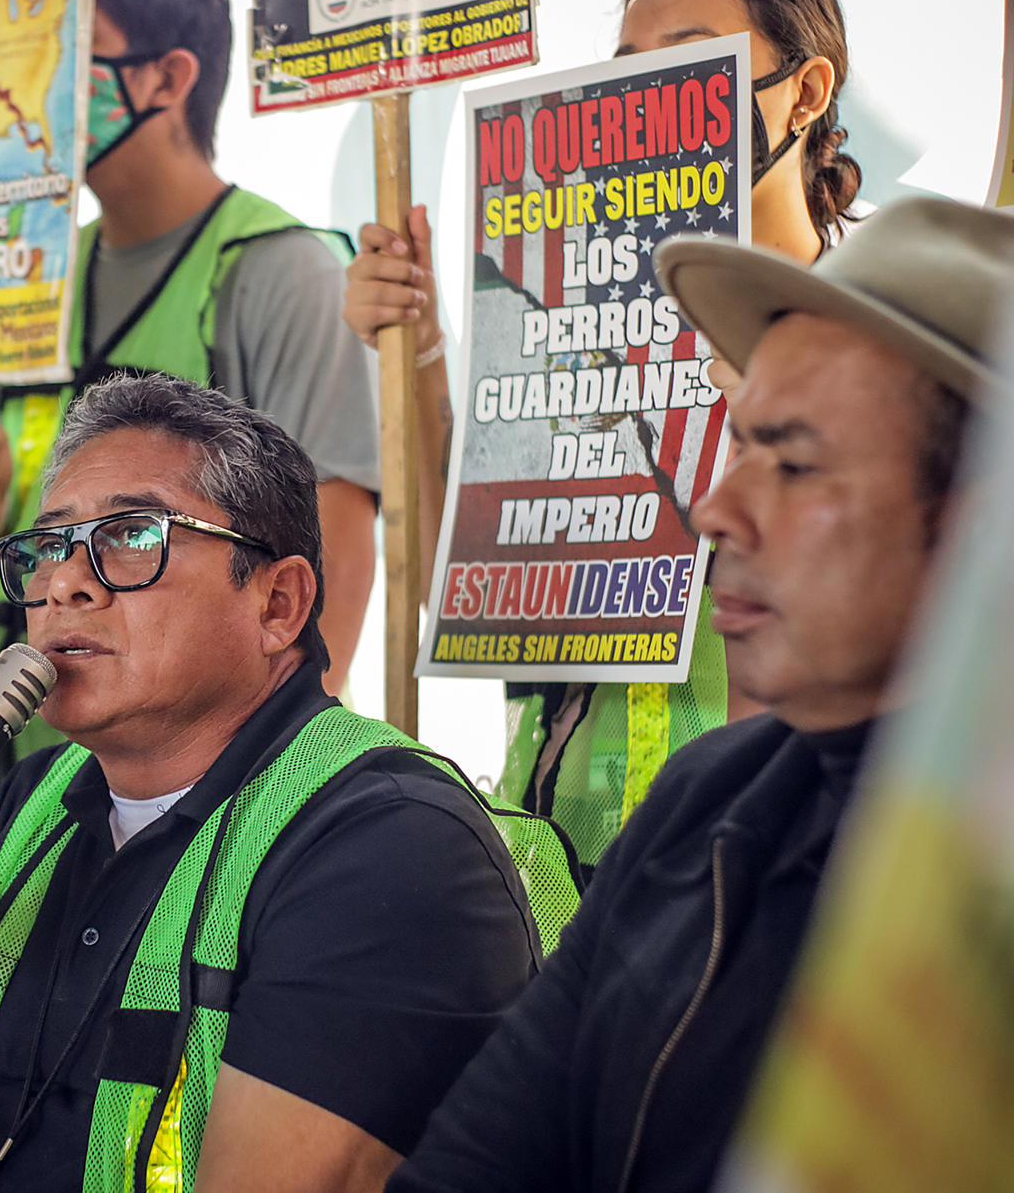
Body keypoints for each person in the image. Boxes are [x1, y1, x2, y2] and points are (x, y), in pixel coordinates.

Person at [0, 374, 542, 1191]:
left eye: (132, 535)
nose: (66, 583)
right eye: (48, 547)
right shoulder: (29, 803)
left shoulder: (392, 848)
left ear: (279, 603)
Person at [391, 196, 1014, 1193]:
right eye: (739, 447)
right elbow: (479, 1159)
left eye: (795, 462)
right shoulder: (702, 801)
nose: (718, 508)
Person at [344, 0, 867, 871]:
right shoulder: (571, 332)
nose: (652, 97)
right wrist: (418, 349)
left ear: (806, 90)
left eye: (691, 63)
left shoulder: (884, 338)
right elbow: (468, 591)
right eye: (627, 71)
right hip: (549, 877)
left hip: (768, 874)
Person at [0, 0, 382, 697]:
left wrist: (282, 781)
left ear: (167, 78)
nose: (31, 84)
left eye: (67, 54)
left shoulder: (279, 271)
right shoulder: (38, 271)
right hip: (38, 764)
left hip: (209, 779)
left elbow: (335, 550)